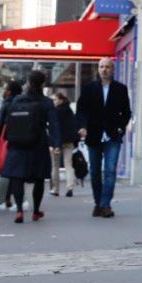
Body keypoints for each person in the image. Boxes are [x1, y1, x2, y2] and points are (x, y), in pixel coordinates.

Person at [0, 69, 59, 223]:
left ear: (28, 83)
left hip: (17, 143)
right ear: (43, 84)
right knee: (38, 178)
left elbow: (3, 118)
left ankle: (19, 211)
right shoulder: (46, 102)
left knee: (17, 177)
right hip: (38, 143)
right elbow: (54, 124)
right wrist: (56, 143)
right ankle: (36, 211)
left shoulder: (17, 100)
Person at [76, 58, 131, 217]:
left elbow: (126, 112)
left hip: (112, 136)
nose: (104, 69)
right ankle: (97, 202)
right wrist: (82, 126)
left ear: (113, 70)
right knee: (94, 172)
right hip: (93, 135)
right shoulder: (89, 89)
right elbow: (81, 110)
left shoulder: (120, 89)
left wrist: (121, 128)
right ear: (98, 69)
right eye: (101, 67)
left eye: (107, 67)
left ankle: (105, 204)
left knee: (110, 171)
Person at [0, 80, 23, 212]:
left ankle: (1, 200)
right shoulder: (23, 102)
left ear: (10, 91)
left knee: (3, 171)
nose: (4, 91)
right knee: (17, 170)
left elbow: (0, 123)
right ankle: (16, 200)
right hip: (20, 138)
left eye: (6, 89)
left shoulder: (7, 103)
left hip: (5, 138)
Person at [50, 92, 78, 197]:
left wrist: (51, 142)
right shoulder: (69, 111)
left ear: (61, 100)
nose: (53, 102)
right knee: (68, 165)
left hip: (56, 142)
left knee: (55, 166)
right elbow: (74, 126)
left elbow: (52, 129)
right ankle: (70, 187)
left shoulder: (54, 112)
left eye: (55, 100)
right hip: (68, 141)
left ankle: (55, 189)